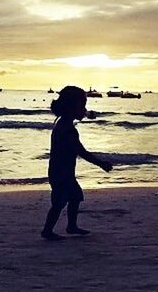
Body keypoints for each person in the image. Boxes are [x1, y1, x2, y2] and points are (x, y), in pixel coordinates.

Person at [41, 86, 113, 240]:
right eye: (82, 106)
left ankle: (71, 226)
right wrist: (101, 164)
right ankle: (47, 230)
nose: (84, 110)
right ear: (72, 108)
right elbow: (81, 151)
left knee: (75, 196)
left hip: (62, 171)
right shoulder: (67, 129)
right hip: (61, 172)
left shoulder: (63, 122)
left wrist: (85, 114)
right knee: (59, 202)